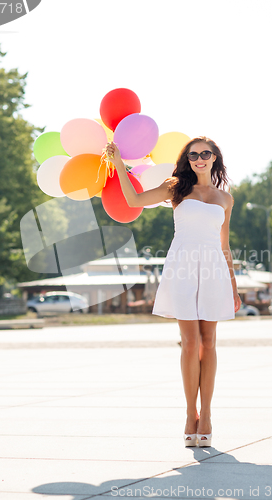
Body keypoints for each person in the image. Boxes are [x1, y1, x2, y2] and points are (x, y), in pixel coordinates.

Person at [105, 137, 241, 448]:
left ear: (215, 158)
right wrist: (117, 166)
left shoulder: (225, 199)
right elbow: (135, 200)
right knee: (190, 342)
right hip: (182, 266)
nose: (199, 159)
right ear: (188, 160)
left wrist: (233, 286)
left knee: (210, 342)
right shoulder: (176, 187)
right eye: (193, 155)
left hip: (213, 271)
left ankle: (206, 414)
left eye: (205, 153)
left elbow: (224, 246)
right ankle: (189, 413)